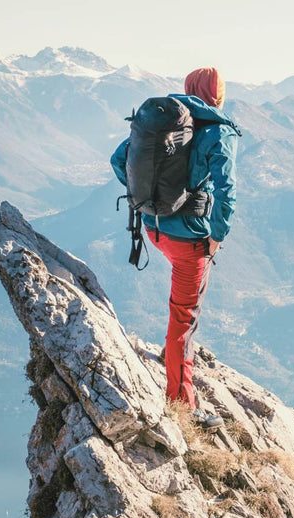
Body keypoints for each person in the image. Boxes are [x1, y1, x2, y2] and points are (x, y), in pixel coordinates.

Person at [110, 67, 240, 430]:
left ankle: (173, 358)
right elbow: (227, 189)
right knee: (184, 316)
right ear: (218, 96)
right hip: (190, 239)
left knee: (183, 311)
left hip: (152, 230)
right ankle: (183, 406)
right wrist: (218, 234)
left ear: (189, 89)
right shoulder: (218, 131)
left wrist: (147, 201)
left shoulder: (159, 121)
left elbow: (118, 160)